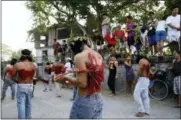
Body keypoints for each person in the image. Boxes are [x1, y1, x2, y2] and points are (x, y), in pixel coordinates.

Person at [55, 36, 104, 119]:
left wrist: (66, 78)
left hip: (85, 100)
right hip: (98, 99)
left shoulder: (80, 56)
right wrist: (74, 73)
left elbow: (82, 83)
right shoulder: (98, 55)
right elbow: (94, 75)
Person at [14, 49, 37, 119]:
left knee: (21, 103)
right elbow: (35, 76)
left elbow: (13, 76)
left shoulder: (17, 64)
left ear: (22, 55)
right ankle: (28, 117)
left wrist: (17, 81)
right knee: (28, 103)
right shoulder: (34, 65)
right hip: (30, 85)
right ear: (30, 55)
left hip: (21, 85)